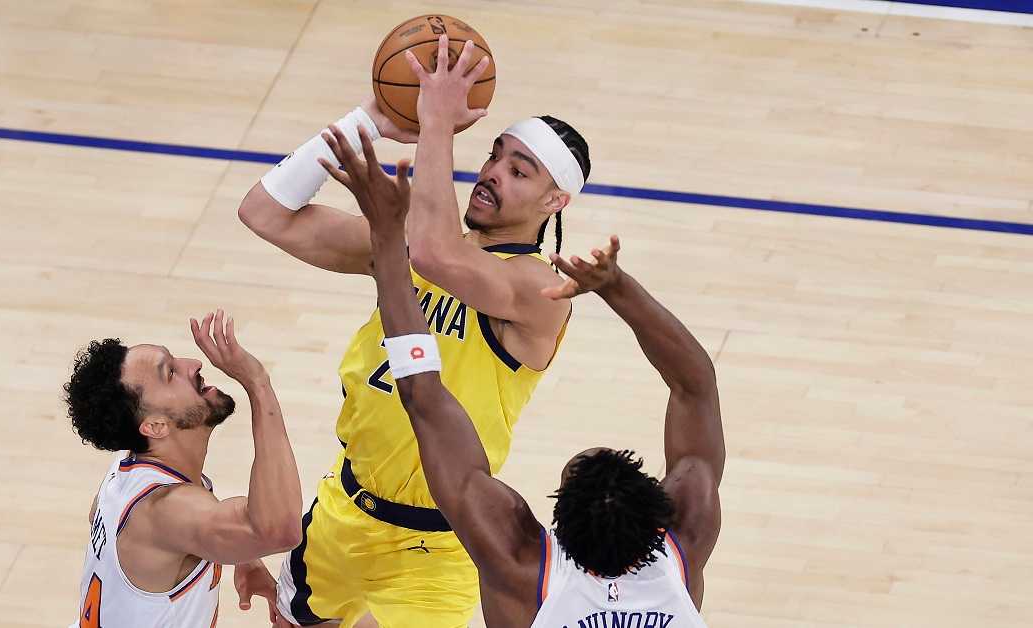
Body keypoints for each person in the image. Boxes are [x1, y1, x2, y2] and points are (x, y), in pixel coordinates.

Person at [238, 35, 587, 627]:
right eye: (495, 156)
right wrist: (368, 121)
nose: (492, 174)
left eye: (518, 171)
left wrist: (435, 123)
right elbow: (264, 213)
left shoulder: (539, 290)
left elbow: (434, 252)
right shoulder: (407, 243)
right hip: (344, 509)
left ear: (554, 200)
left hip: (437, 546)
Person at [321, 122, 724, 626]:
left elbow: (424, 398)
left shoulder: (525, 569)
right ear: (661, 519)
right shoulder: (680, 555)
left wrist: (387, 239)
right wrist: (618, 288)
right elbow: (696, 385)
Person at [64, 310, 303, 627]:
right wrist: (258, 384)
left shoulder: (129, 467)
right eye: (170, 373)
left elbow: (122, 521)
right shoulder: (164, 509)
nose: (193, 364)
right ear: (155, 426)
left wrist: (239, 550)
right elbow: (279, 530)